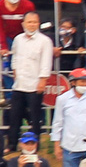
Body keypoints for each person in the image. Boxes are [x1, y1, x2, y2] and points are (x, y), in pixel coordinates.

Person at [7, 10, 54, 152]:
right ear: (23, 24)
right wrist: (15, 73)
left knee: (35, 117)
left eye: (34, 22)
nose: (32, 25)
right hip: (19, 84)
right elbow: (14, 59)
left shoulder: (45, 41)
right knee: (14, 115)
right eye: (29, 22)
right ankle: (12, 144)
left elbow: (46, 63)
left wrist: (43, 81)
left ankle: (35, 145)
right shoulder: (18, 39)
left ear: (38, 24)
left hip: (35, 85)